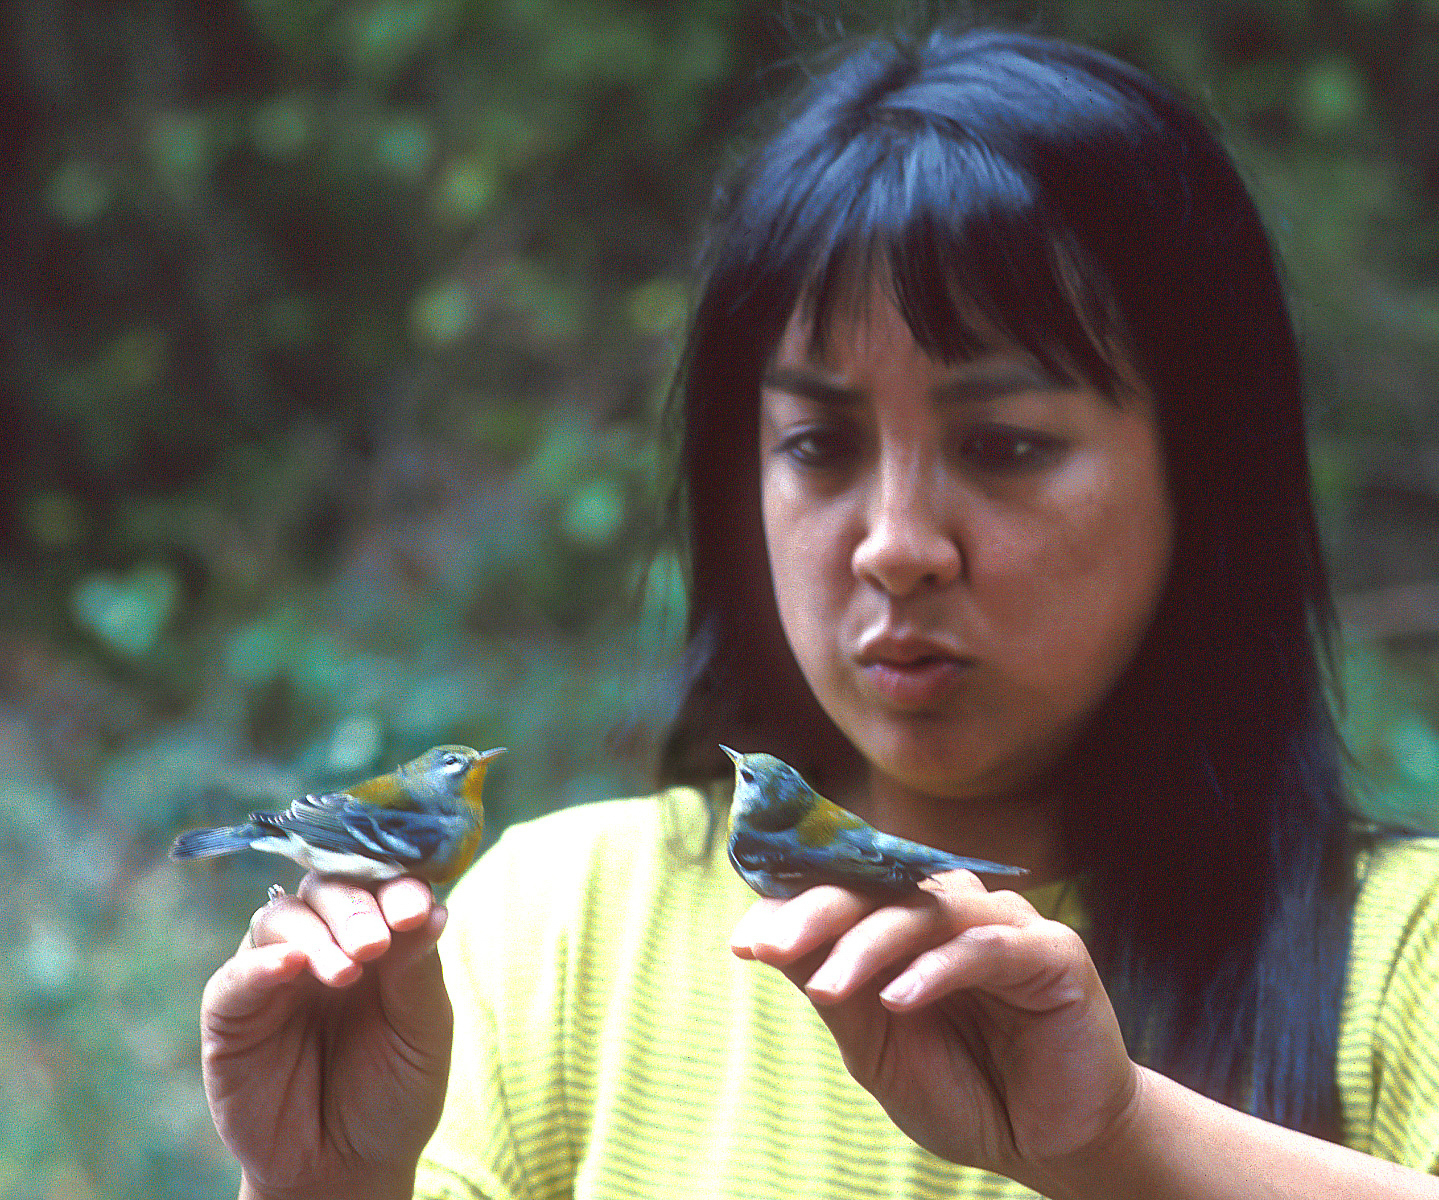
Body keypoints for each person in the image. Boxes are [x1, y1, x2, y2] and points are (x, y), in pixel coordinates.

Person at [196, 22, 1439, 1200]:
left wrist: (1120, 1144)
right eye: (816, 444)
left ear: (1205, 472)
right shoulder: (550, 934)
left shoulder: (1400, 963)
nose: (897, 546)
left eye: (1002, 444)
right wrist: (327, 1188)